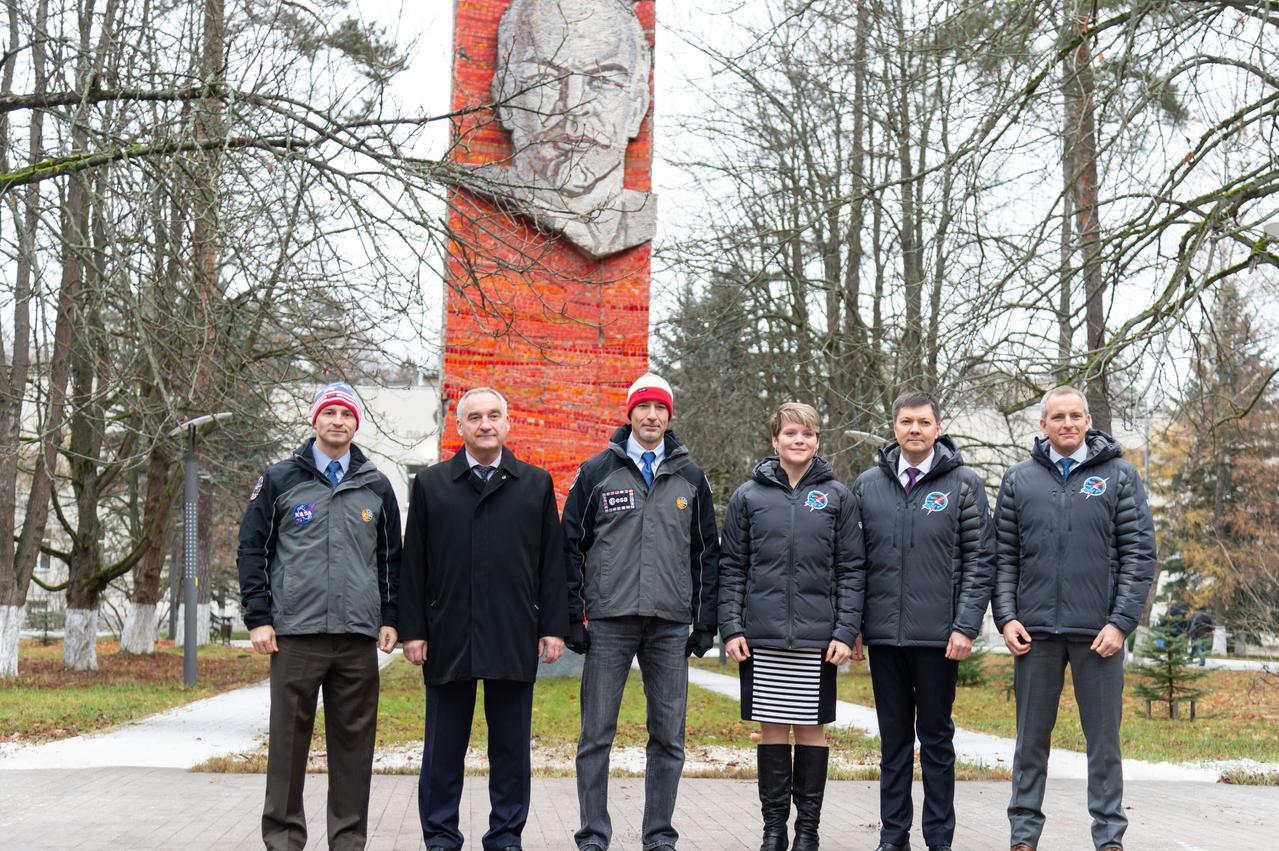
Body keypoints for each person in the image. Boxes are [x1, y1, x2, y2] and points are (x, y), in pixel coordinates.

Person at [398, 386, 568, 851]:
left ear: (508, 423)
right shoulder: (431, 484)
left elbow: (551, 564)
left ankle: (506, 835)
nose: (485, 424)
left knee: (511, 748)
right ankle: (440, 836)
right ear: (459, 427)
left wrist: (553, 627)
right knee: (443, 748)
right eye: (474, 417)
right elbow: (414, 565)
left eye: (494, 415)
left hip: (513, 631)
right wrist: (413, 630)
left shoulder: (534, 484)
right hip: (447, 633)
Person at [237, 381, 402, 851]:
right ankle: (284, 839)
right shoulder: (279, 479)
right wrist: (258, 617)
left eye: (346, 414)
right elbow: (252, 549)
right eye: (329, 412)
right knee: (288, 744)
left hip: (356, 637)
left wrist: (391, 616)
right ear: (315, 419)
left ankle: (347, 841)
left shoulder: (376, 485)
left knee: (354, 747)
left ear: (356, 424)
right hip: (295, 635)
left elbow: (391, 560)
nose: (338, 421)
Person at [562, 372, 720, 851]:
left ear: (669, 415)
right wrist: (573, 614)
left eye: (660, 409)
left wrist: (704, 621)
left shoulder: (691, 477)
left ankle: (659, 836)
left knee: (669, 737)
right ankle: (593, 834)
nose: (652, 416)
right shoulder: (597, 472)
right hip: (609, 621)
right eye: (643, 407)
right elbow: (570, 544)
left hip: (670, 624)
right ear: (629, 413)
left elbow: (706, 553)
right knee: (596, 735)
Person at [993, 386, 1155, 851]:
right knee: (1030, 743)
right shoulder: (1019, 479)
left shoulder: (1119, 476)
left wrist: (1120, 623)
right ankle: (1023, 836)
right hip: (1034, 635)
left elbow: (1139, 554)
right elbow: (1003, 557)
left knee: (1104, 744)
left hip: (1099, 635)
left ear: (1088, 421)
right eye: (1058, 416)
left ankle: (1109, 837)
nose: (1067, 423)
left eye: (1075, 416)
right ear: (1043, 424)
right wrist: (1006, 617)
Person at [851, 389, 996, 851]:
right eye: (906, 422)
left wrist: (966, 626)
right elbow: (852, 562)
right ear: (894, 427)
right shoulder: (867, 486)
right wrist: (853, 625)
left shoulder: (964, 484)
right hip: (884, 637)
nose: (915, 430)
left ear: (937, 428)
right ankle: (893, 837)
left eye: (923, 422)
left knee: (936, 741)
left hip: (940, 638)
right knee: (893, 743)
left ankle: (939, 838)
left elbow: (981, 559)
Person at [718, 402, 864, 851]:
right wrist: (732, 627)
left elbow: (852, 569)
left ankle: (807, 832)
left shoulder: (838, 497)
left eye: (807, 434)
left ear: (817, 441)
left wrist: (844, 631)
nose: (799, 440)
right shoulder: (748, 497)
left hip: (818, 640)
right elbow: (732, 566)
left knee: (811, 731)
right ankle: (774, 830)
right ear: (775, 440)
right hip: (761, 638)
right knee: (772, 731)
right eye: (790, 433)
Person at [480, 0, 655, 259]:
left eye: (602, 80)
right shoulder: (477, 198)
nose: (573, 105)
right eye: (545, 79)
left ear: (637, 108)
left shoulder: (639, 220)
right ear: (505, 99)